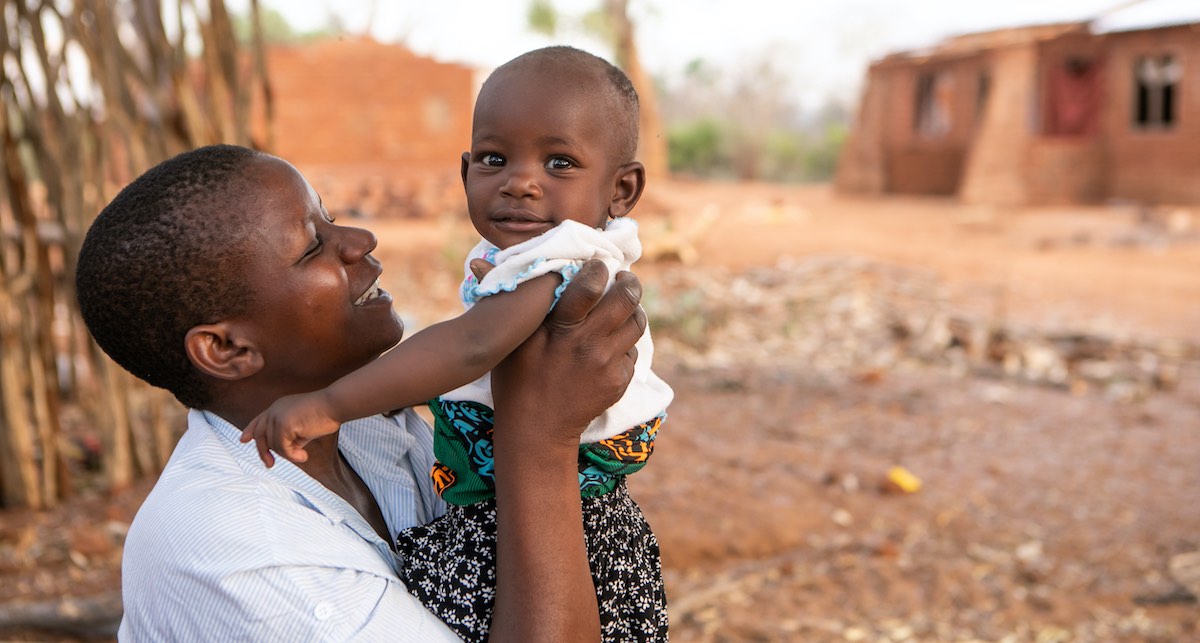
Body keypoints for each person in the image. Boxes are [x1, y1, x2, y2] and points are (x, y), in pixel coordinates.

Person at [75, 143, 648, 641]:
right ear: (226, 349)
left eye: (329, 219)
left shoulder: (366, 424)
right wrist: (540, 441)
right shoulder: (240, 550)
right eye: (312, 247)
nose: (360, 240)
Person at [240, 46, 672, 641]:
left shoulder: (564, 259)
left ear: (621, 189)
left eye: (560, 162)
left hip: (550, 523)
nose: (520, 183)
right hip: (565, 513)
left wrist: (328, 405)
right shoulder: (530, 255)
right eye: (495, 159)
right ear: (466, 171)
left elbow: (468, 348)